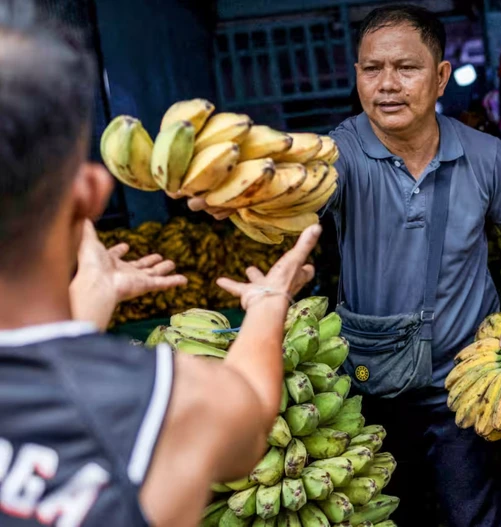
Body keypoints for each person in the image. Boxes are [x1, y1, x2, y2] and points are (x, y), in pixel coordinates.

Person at [187, 4, 501, 526]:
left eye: (406, 68)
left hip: (465, 378)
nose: (387, 85)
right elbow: (286, 199)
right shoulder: (338, 156)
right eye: (371, 69)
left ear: (441, 76)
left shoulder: (486, 156)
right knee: (387, 514)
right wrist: (237, 198)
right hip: (370, 380)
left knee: (473, 516)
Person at [0, 3, 321, 526]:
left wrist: (96, 293)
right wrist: (267, 302)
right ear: (91, 194)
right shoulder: (163, 403)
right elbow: (252, 412)